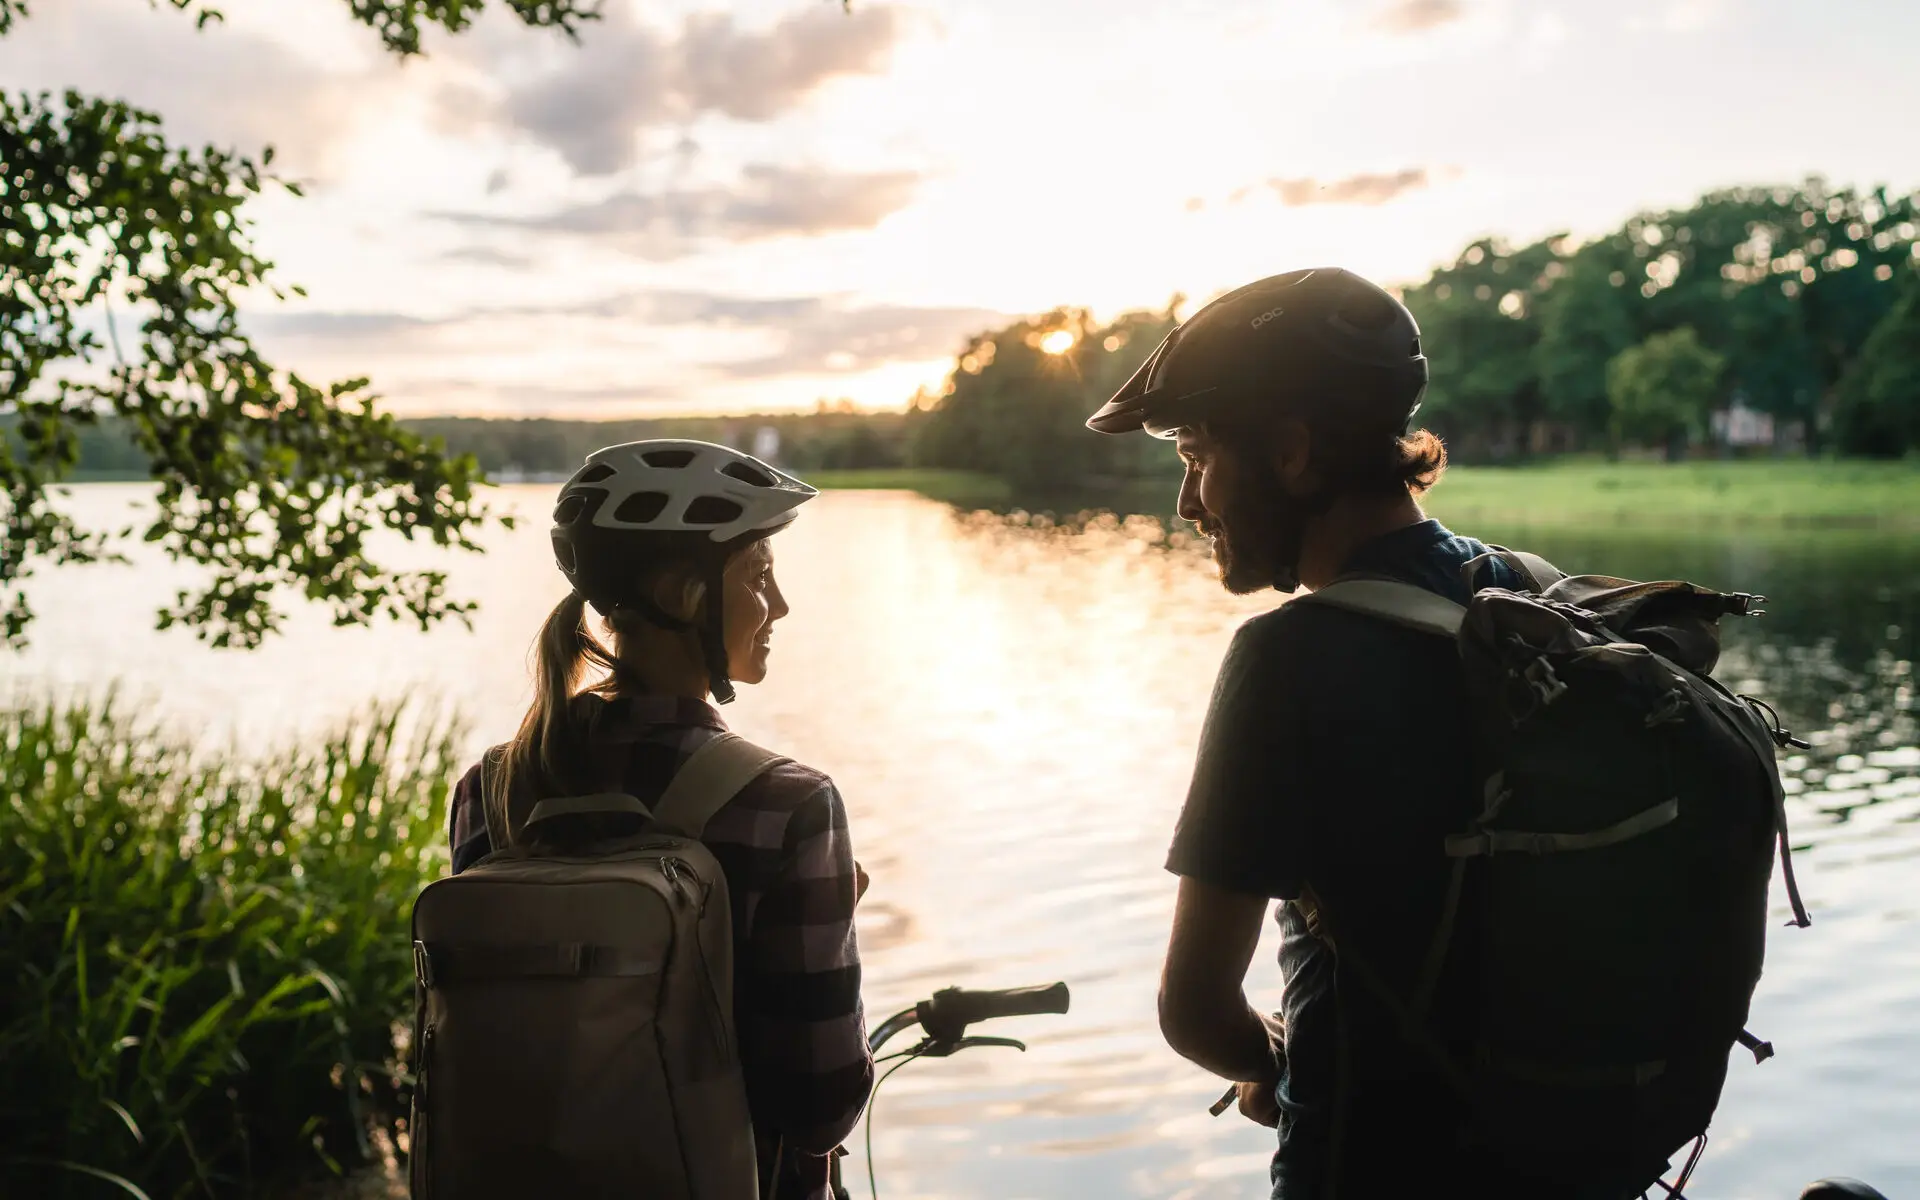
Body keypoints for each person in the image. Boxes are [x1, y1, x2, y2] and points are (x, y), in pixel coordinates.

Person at [1086, 268, 1555, 1198]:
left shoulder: (1289, 660)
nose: (1187, 503)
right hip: (1558, 1157)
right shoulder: (1526, 592)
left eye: (1195, 455)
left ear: (1293, 452)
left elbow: (1197, 1011)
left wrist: (1271, 1056)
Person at [446, 439, 874, 1200]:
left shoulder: (492, 787)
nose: (778, 605)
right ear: (684, 595)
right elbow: (819, 1104)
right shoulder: (789, 805)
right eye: (758, 575)